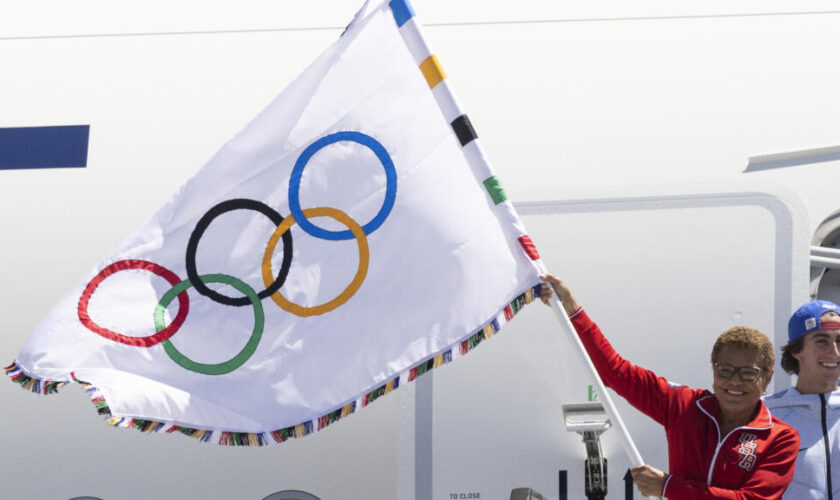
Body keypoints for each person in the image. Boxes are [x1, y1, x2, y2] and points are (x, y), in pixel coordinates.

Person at [540, 274, 799, 499]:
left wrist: (668, 487)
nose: (734, 381)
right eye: (726, 370)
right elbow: (614, 371)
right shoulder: (683, 405)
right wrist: (573, 310)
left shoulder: (781, 437)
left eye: (747, 373)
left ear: (767, 377)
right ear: (713, 370)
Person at [763, 300, 840, 499]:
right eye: (822, 341)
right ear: (796, 350)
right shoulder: (765, 415)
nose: (835, 351)